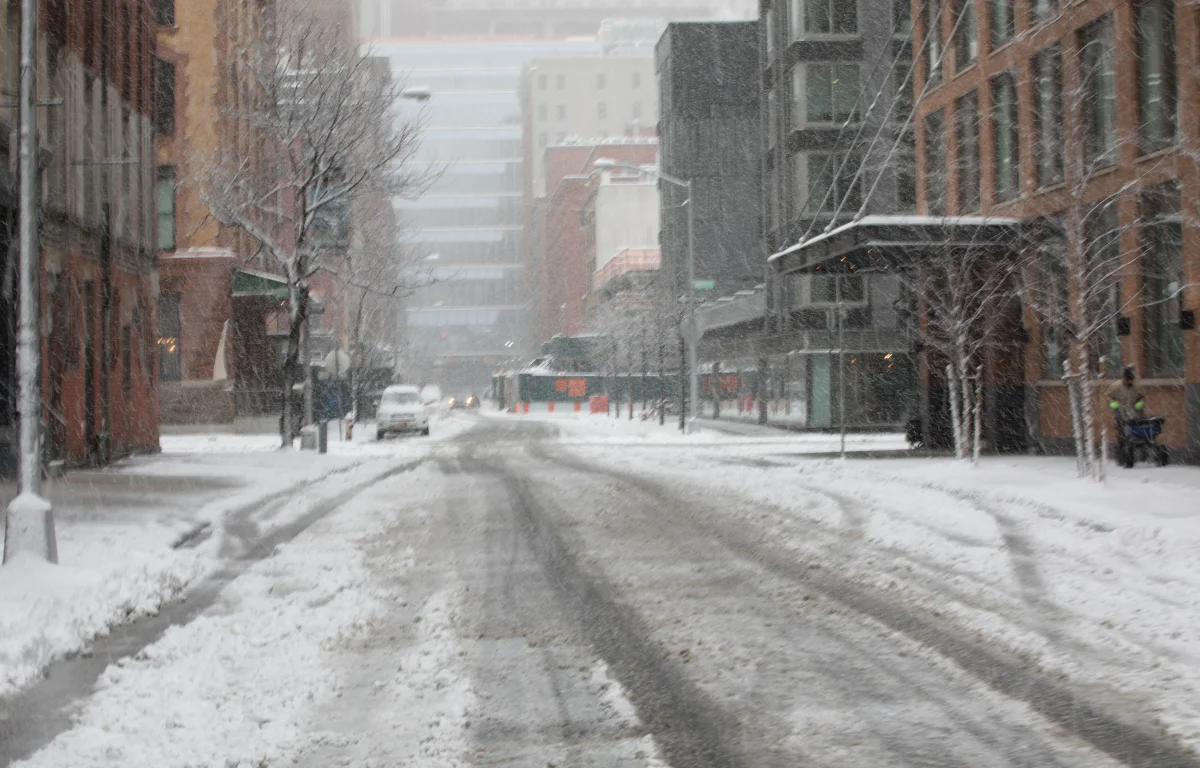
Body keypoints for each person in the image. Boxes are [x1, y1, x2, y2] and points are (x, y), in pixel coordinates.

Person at [1108, 365, 1146, 465]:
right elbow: (1108, 397)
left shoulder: (1137, 387)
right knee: (1121, 436)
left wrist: (1140, 403)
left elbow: (1142, 397)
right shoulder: (1115, 387)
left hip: (1134, 416)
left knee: (1134, 436)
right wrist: (1112, 403)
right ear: (1125, 378)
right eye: (1128, 379)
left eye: (1131, 379)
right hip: (1120, 415)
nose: (1130, 382)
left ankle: (1135, 455)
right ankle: (1121, 457)